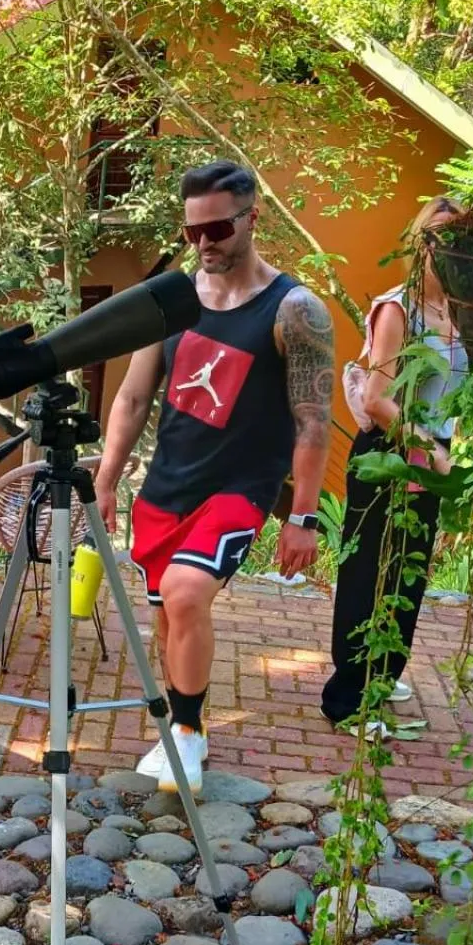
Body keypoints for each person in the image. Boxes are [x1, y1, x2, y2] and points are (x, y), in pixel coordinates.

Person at [95, 160, 334, 792]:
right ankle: (180, 722)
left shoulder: (295, 310)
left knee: (187, 594)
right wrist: (107, 477)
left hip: (238, 490)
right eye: (192, 231)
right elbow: (132, 398)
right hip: (167, 485)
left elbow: (313, 422)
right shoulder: (171, 299)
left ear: (252, 218)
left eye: (218, 229)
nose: (204, 243)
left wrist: (303, 517)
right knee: (168, 619)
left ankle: (188, 736)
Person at [321, 197, 468, 727]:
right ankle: (346, 700)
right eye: (434, 237)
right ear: (417, 243)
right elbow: (378, 400)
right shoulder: (397, 309)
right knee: (369, 575)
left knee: (407, 576)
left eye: (455, 240)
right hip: (390, 456)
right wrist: (431, 454)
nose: (443, 249)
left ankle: (380, 679)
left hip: (432, 459)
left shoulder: (457, 313)